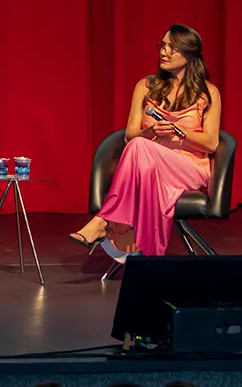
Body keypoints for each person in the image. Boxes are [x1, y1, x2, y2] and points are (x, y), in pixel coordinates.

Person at [70, 25, 222, 261]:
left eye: (172, 47)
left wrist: (180, 131)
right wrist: (150, 131)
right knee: (138, 145)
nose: (164, 52)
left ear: (189, 54)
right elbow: (129, 136)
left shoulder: (208, 92)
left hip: (188, 168)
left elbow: (211, 143)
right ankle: (143, 252)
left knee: (139, 146)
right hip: (147, 167)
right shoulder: (145, 86)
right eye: (163, 45)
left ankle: (103, 220)